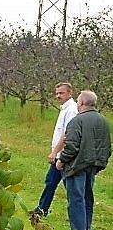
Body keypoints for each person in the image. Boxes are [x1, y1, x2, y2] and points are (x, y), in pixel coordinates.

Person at [56, 90, 110, 230]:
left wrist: (61, 160)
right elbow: (106, 145)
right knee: (87, 196)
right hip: (94, 164)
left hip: (77, 165)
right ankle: (85, 229)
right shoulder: (103, 120)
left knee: (76, 198)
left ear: (81, 103)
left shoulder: (77, 121)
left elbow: (71, 146)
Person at [31, 82, 78, 217]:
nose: (58, 96)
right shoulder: (64, 109)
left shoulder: (72, 110)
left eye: (61, 93)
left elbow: (67, 134)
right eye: (57, 93)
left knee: (69, 186)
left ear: (70, 93)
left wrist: (55, 152)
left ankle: (76, 216)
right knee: (51, 181)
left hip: (64, 156)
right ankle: (42, 208)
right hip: (59, 155)